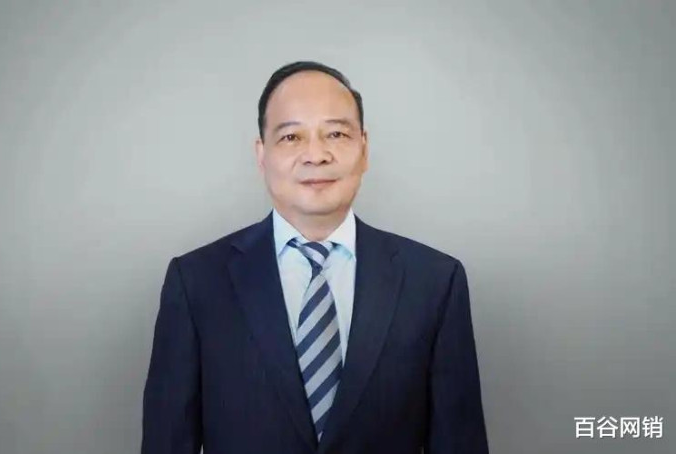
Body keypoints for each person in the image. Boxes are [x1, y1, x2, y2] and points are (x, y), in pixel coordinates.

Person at [141, 61, 489, 454]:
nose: (316, 155)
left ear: (364, 149)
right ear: (262, 154)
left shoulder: (435, 282)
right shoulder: (197, 282)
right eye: (291, 137)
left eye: (336, 134)